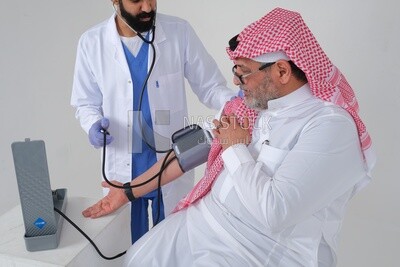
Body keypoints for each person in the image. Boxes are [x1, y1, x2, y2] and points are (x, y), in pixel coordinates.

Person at [82, 7, 376, 266]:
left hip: (254, 250)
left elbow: (276, 211)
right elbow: (191, 152)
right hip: (203, 222)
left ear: (283, 71)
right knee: (138, 258)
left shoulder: (329, 127)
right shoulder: (258, 105)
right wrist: (128, 191)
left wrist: (235, 147)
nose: (235, 81)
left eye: (243, 72)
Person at [70, 0, 235, 243]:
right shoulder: (91, 42)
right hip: (123, 166)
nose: (148, 7)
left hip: (170, 162)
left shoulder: (179, 32)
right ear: (115, 1)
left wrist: (236, 103)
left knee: (171, 245)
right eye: (137, 0)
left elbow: (211, 87)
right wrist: (92, 124)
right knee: (126, 245)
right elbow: (85, 102)